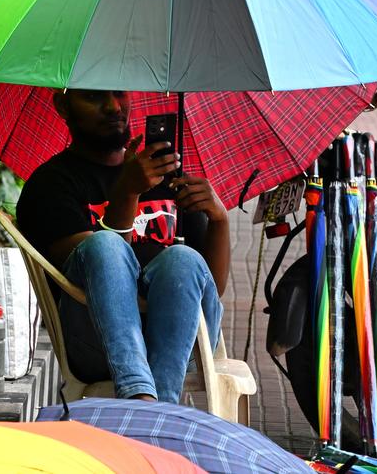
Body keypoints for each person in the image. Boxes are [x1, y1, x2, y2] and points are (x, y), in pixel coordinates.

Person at [16, 89, 230, 403]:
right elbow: (98, 269)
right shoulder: (51, 185)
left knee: (183, 258)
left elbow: (213, 285)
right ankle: (143, 396)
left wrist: (219, 219)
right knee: (103, 246)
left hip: (183, 342)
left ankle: (150, 405)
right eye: (93, 97)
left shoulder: (169, 179)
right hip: (95, 343)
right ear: (63, 106)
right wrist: (128, 192)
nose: (113, 107)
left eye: (120, 95)